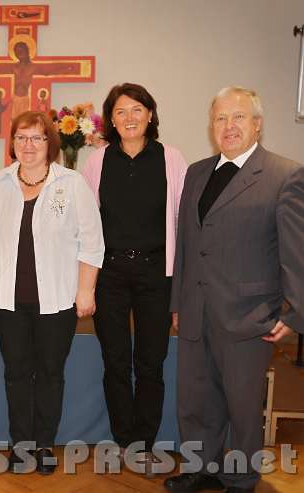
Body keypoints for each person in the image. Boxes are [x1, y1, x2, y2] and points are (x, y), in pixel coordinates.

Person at [164, 87, 304, 493]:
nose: (228, 126)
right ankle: (199, 469)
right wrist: (178, 303)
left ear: (257, 124)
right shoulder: (197, 172)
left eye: (238, 117)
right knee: (195, 400)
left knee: (242, 406)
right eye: (221, 118)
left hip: (250, 314)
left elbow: (296, 252)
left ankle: (241, 478)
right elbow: (186, 243)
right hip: (195, 309)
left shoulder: (284, 174)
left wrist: (293, 313)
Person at [0, 111, 104, 474]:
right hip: (8, 300)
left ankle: (44, 444)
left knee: (49, 374)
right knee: (15, 373)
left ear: (50, 144)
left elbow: (92, 243)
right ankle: (20, 446)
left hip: (57, 301)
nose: (28, 145)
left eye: (37, 138)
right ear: (12, 143)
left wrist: (86, 291)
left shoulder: (72, 185)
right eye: (22, 138)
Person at [81, 83, 188, 463]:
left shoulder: (171, 159)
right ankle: (123, 437)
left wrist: (181, 285)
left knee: (150, 360)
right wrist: (87, 283)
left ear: (150, 115)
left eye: (137, 109)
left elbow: (183, 221)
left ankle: (145, 437)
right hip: (109, 274)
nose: (129, 117)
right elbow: (87, 225)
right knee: (114, 359)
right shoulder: (97, 161)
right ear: (111, 119)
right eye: (121, 111)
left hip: (156, 273)